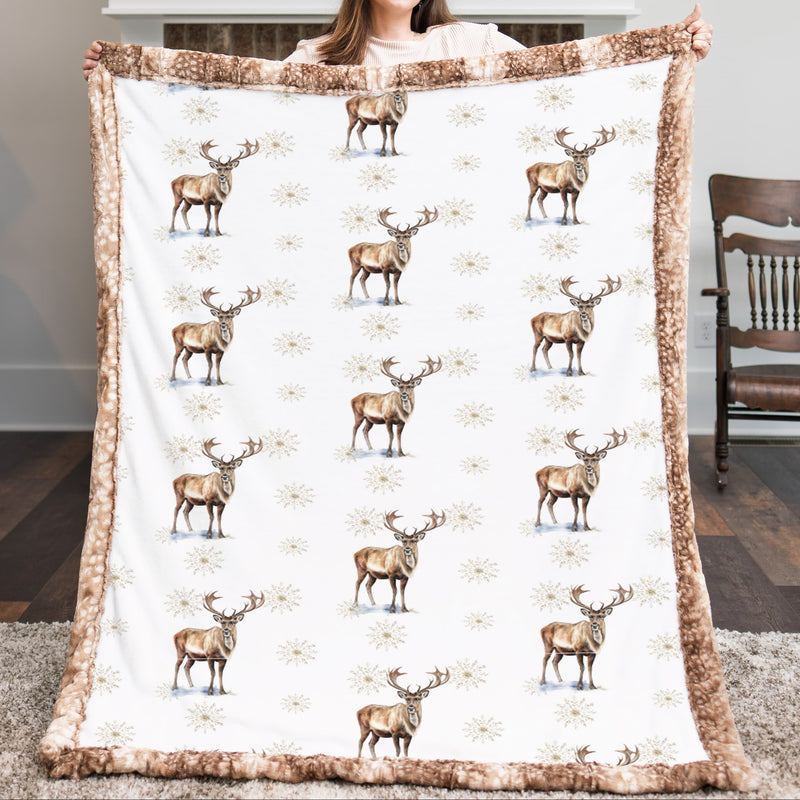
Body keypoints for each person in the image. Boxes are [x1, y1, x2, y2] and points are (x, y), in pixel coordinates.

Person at [82, 1, 712, 78]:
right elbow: (235, 99)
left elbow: (576, 76)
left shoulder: (476, 43)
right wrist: (123, 76)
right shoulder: (317, 59)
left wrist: (671, 49)